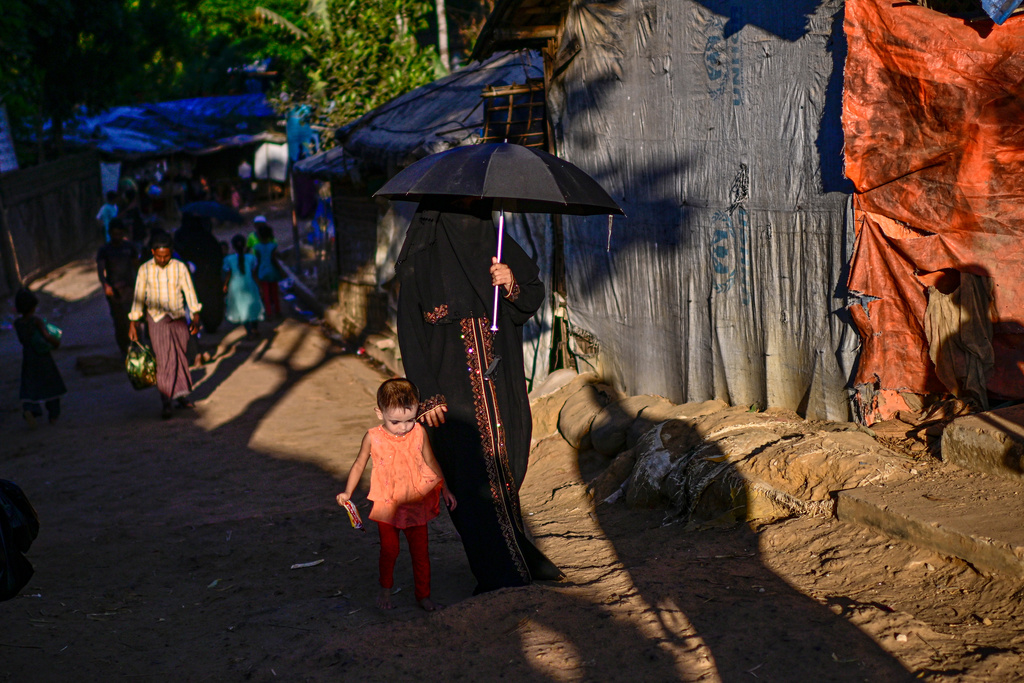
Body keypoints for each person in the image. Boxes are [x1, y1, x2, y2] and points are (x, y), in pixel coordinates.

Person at [395, 198, 562, 594]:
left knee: (505, 470)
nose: (470, 219)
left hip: (500, 381)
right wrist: (426, 396)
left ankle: (516, 555)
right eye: (461, 210)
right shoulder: (422, 261)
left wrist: (510, 283)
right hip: (449, 394)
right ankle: (497, 572)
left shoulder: (499, 246)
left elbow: (532, 298)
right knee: (468, 480)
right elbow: (410, 335)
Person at [336, 378, 456, 611]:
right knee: (390, 551)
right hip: (387, 504)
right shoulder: (373, 437)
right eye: (396, 422)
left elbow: (431, 461)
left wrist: (445, 488)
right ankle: (385, 589)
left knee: (420, 553)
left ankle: (423, 595)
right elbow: (360, 463)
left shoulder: (419, 432)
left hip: (415, 502)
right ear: (379, 413)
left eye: (410, 419)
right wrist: (347, 491)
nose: (403, 427)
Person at [128, 233, 203, 419]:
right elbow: (138, 297)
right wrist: (134, 322)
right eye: (159, 256)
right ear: (153, 252)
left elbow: (189, 291)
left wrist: (195, 315)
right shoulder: (144, 270)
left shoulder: (180, 268)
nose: (163, 259)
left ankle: (181, 395)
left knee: (179, 356)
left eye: (167, 255)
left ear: (172, 252)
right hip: (156, 318)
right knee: (163, 359)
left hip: (177, 316)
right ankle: (166, 400)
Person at [14, 288, 66, 427]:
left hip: (28, 359)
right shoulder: (36, 321)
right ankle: (53, 416)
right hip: (43, 357)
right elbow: (47, 336)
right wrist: (55, 342)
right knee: (51, 386)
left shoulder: (17, 324)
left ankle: (30, 410)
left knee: (30, 386)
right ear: (33, 306)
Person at [174, 214, 224, 333]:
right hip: (210, 276)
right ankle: (211, 324)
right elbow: (217, 255)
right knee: (211, 300)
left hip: (194, 276)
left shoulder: (182, 236)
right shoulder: (207, 236)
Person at [95, 219, 139, 356]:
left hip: (130, 289)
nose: (117, 237)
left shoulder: (129, 247)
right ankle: (125, 350)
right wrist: (106, 285)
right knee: (119, 322)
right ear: (110, 234)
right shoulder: (104, 250)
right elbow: (101, 270)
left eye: (120, 234)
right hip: (114, 292)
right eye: (114, 234)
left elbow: (136, 267)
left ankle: (138, 347)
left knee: (134, 319)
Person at [222, 234, 264, 339]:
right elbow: (254, 274)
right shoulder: (251, 258)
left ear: (233, 246)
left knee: (242, 309)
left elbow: (228, 274)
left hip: (235, 286)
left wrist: (225, 285)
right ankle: (255, 328)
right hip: (250, 284)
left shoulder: (229, 259)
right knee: (253, 306)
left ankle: (249, 332)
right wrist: (260, 286)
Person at [253, 222, 283, 318]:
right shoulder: (273, 246)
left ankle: (269, 312)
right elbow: (274, 259)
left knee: (265, 294)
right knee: (275, 293)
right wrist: (280, 270)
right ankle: (277, 311)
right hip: (273, 271)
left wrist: (255, 273)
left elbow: (258, 260)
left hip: (262, 271)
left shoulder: (257, 247)